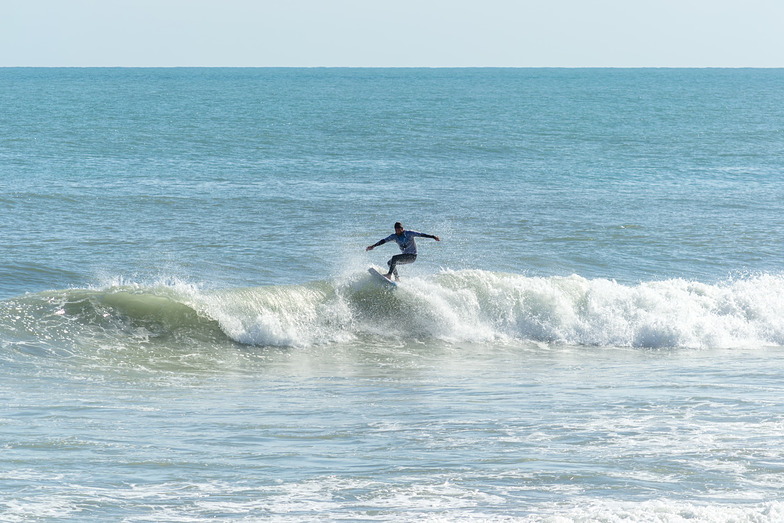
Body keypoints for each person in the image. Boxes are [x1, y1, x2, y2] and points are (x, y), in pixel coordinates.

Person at [366, 222, 440, 280]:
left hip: (412, 256)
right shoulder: (394, 236)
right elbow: (383, 241)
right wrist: (373, 246)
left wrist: (433, 237)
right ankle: (397, 278)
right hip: (405, 256)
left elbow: (422, 234)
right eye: (396, 230)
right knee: (390, 263)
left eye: (399, 230)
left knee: (394, 258)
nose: (397, 231)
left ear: (402, 228)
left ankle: (389, 275)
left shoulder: (409, 233)